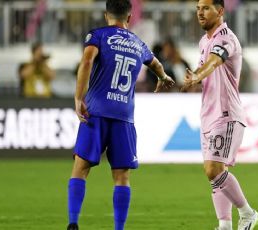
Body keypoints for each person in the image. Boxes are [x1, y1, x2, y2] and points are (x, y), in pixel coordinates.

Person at [66, 1, 174, 230]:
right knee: (121, 176)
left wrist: (78, 97)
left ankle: (73, 222)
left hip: (95, 112)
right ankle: (119, 228)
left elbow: (86, 61)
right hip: (124, 116)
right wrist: (163, 77)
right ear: (129, 16)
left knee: (81, 167)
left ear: (107, 15)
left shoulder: (98, 35)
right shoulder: (138, 44)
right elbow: (155, 64)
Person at [181, 1, 258, 230]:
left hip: (226, 113)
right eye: (198, 8)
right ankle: (224, 225)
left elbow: (214, 62)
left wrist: (197, 76)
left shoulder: (226, 38)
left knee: (213, 169)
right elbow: (202, 68)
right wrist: (191, 79)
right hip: (208, 114)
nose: (200, 12)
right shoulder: (204, 41)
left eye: (206, 8)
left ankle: (247, 213)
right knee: (215, 174)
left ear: (221, 11)